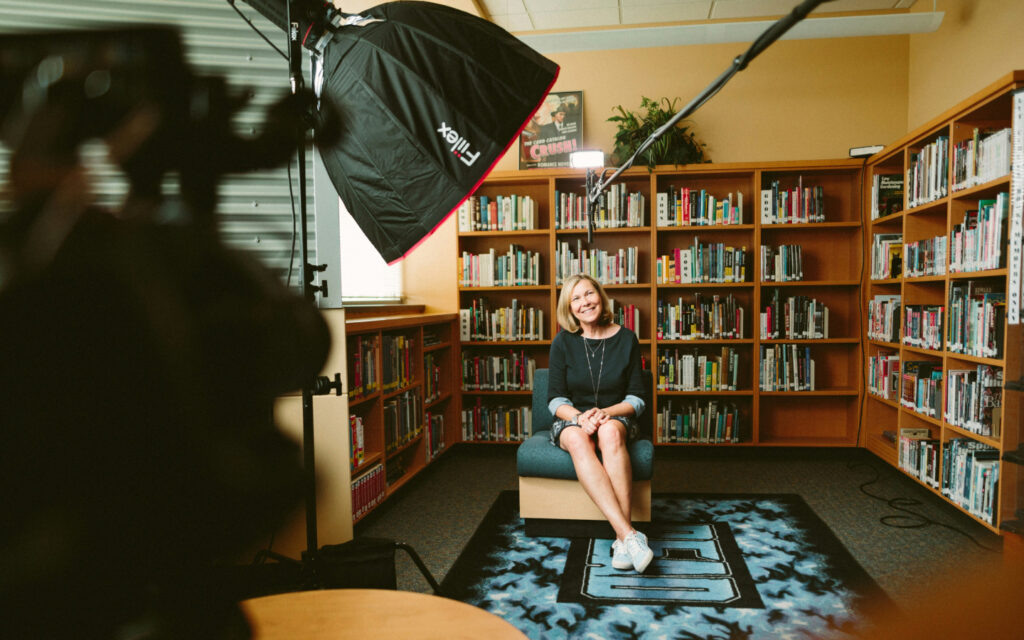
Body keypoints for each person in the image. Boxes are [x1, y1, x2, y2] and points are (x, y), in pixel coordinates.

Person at [548, 274, 653, 572]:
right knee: (580, 438)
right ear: (569, 309)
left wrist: (603, 413)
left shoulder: (627, 338)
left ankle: (622, 540)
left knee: (608, 432)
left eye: (589, 294)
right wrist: (580, 418)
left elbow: (637, 398)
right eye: (576, 299)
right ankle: (629, 535)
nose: (584, 303)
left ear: (600, 296)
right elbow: (555, 400)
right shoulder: (563, 342)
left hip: (614, 416)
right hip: (572, 420)